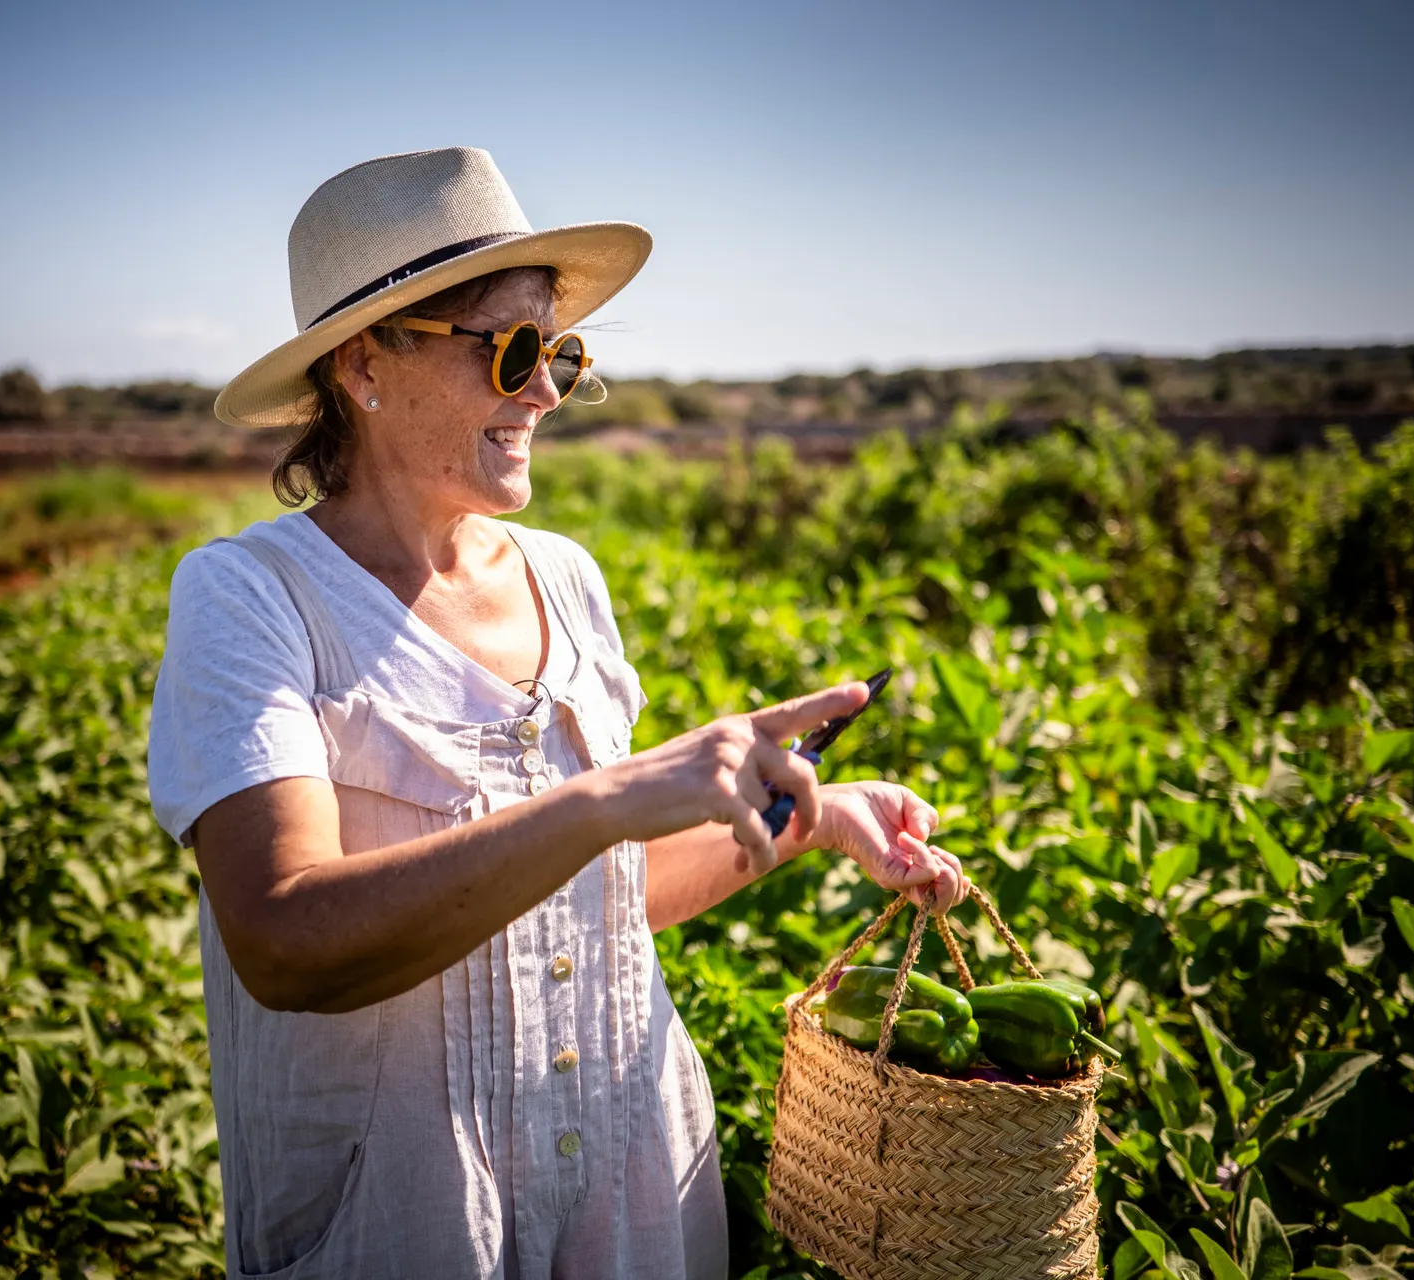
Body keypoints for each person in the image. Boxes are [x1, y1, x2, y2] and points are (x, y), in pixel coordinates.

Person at [147, 146, 968, 1280]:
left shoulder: (567, 577)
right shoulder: (252, 599)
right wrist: (601, 800)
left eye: (560, 353)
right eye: (513, 352)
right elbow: (285, 941)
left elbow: (601, 902)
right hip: (407, 1221)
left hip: (633, 1200)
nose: (546, 392)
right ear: (364, 366)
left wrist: (814, 819)